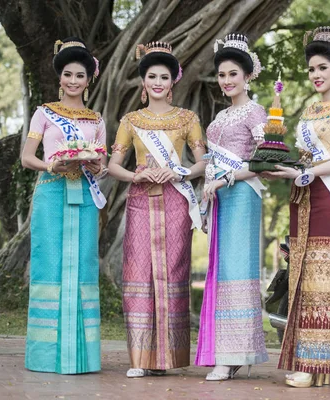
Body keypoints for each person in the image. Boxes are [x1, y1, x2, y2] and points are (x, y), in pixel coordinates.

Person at [263, 26, 330, 388]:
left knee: (324, 281)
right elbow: (303, 157)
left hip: (328, 200)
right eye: (311, 70)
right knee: (301, 281)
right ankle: (310, 364)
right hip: (302, 198)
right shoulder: (309, 109)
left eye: (322, 68)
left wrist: (301, 172)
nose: (316, 75)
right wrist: (283, 170)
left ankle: (314, 365)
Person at [108, 41, 206, 378]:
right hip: (139, 201)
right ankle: (140, 358)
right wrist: (138, 172)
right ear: (143, 81)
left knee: (173, 273)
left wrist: (180, 170)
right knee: (138, 273)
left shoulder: (187, 119)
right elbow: (113, 166)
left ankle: (167, 358)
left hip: (175, 202)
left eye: (164, 76)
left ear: (173, 81)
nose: (158, 82)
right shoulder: (131, 120)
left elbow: (203, 161)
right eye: (152, 76)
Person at [21, 37, 106, 374]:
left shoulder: (96, 120)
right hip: (52, 191)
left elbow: (100, 159)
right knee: (49, 264)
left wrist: (97, 164)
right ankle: (44, 355)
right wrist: (51, 165)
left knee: (85, 265)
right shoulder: (43, 113)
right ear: (60, 77)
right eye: (68, 74)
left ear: (89, 80)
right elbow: (28, 158)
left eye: (80, 75)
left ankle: (82, 356)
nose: (73, 81)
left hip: (85, 195)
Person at [195, 33, 268, 381]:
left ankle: (235, 354)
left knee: (237, 272)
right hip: (220, 197)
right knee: (222, 272)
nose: (226, 81)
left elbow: (265, 161)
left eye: (232, 75)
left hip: (241, 194)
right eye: (222, 75)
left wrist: (225, 179)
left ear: (247, 75)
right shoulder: (222, 114)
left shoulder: (256, 112)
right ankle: (229, 352)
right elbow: (211, 159)